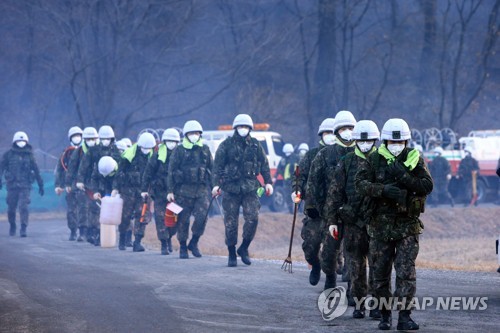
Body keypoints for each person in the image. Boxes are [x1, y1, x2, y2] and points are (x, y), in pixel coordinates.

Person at [355, 118, 433, 331]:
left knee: (406, 272)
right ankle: (385, 314)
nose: (396, 146)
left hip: (407, 225)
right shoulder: (374, 159)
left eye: (400, 142)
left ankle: (405, 317)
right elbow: (360, 184)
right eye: (392, 142)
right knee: (380, 275)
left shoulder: (415, 159)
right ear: (385, 142)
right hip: (380, 227)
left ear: (406, 142)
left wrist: (404, 177)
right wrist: (383, 190)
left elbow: (427, 185)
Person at [324, 120, 381, 319]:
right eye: (362, 141)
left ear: (375, 140)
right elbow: (335, 193)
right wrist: (332, 220)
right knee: (355, 266)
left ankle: (376, 304)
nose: (365, 144)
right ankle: (358, 304)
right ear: (355, 140)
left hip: (376, 222)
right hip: (353, 223)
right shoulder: (347, 162)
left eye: (369, 141)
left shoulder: (382, 160)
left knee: (377, 265)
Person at [212, 114, 273, 267]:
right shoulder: (226, 145)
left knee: (253, 218)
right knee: (231, 223)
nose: (243, 129)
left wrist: (268, 182)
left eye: (245, 127)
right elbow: (217, 167)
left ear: (250, 129)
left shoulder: (255, 145)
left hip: (250, 188)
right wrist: (215, 184)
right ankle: (231, 252)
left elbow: (264, 164)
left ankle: (244, 248)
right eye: (240, 127)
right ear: (235, 128)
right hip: (231, 189)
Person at [306, 110, 357, 291]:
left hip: (354, 212)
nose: (347, 131)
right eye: (344, 128)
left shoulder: (360, 155)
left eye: (350, 128)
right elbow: (313, 181)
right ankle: (329, 276)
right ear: (337, 132)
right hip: (331, 212)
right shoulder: (325, 155)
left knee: (353, 251)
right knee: (329, 251)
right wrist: (316, 206)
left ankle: (353, 287)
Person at [291, 117, 334, 285]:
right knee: (310, 246)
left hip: (335, 211)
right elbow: (299, 176)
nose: (329, 136)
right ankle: (315, 266)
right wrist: (297, 190)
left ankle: (330, 279)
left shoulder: (342, 155)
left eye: (332, 132)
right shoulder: (311, 155)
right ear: (321, 135)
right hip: (314, 210)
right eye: (326, 133)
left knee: (331, 250)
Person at [167, 120, 213, 259]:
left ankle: (194, 242)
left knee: (202, 217)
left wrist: (215, 186)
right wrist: (170, 191)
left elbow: (212, 169)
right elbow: (171, 171)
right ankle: (182, 247)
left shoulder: (205, 149)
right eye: (192, 133)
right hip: (183, 191)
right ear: (186, 135)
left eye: (197, 133)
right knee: (183, 220)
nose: (195, 135)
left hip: (201, 191)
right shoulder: (179, 150)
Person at [77, 125, 121, 245]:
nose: (106, 141)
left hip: (112, 184)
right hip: (95, 181)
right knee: (94, 209)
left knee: (109, 211)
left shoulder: (116, 151)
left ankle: (107, 235)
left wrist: (116, 187)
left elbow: (120, 170)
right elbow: (83, 166)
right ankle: (94, 233)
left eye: (108, 139)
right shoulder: (93, 151)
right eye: (103, 138)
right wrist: (80, 180)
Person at [112, 132, 156, 251]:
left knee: (141, 215)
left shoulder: (153, 156)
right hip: (128, 190)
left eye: (149, 148)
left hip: (144, 191)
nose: (146, 150)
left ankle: (137, 241)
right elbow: (119, 172)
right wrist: (116, 188)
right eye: (144, 148)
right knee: (125, 215)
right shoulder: (129, 155)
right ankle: (122, 239)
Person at [142, 128, 180, 255]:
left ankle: (169, 237)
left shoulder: (180, 155)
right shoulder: (157, 155)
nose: (171, 144)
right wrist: (144, 189)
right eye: (168, 141)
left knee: (174, 219)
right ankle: (164, 243)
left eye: (173, 141)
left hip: (175, 194)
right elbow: (148, 172)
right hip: (159, 193)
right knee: (160, 218)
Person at [0, 131, 44, 237]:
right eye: (19, 141)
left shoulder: (30, 155)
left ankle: (23, 228)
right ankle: (12, 225)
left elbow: (36, 170)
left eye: (23, 141)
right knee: (11, 208)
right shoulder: (8, 155)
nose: (21, 143)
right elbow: (1, 168)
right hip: (12, 185)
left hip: (25, 186)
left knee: (23, 207)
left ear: (26, 142)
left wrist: (40, 184)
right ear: (15, 142)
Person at [65, 127, 99, 242]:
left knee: (95, 209)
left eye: (93, 138)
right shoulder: (78, 151)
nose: (91, 141)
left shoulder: (100, 150)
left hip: (97, 184)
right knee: (83, 208)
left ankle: (94, 231)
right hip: (82, 184)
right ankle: (83, 232)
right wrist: (69, 183)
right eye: (88, 139)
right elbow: (72, 168)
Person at [54, 126, 83, 240]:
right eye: (74, 136)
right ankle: (73, 231)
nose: (77, 138)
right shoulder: (65, 154)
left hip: (83, 185)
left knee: (84, 209)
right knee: (71, 210)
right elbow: (59, 170)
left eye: (79, 136)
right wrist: (58, 185)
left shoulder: (85, 151)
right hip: (70, 186)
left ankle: (83, 232)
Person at [274, 143, 299, 213]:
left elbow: (302, 167)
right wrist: (275, 177)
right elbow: (279, 169)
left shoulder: (297, 158)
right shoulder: (283, 159)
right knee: (288, 195)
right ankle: (291, 210)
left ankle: (299, 209)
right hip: (286, 181)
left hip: (296, 180)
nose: (287, 154)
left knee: (297, 194)